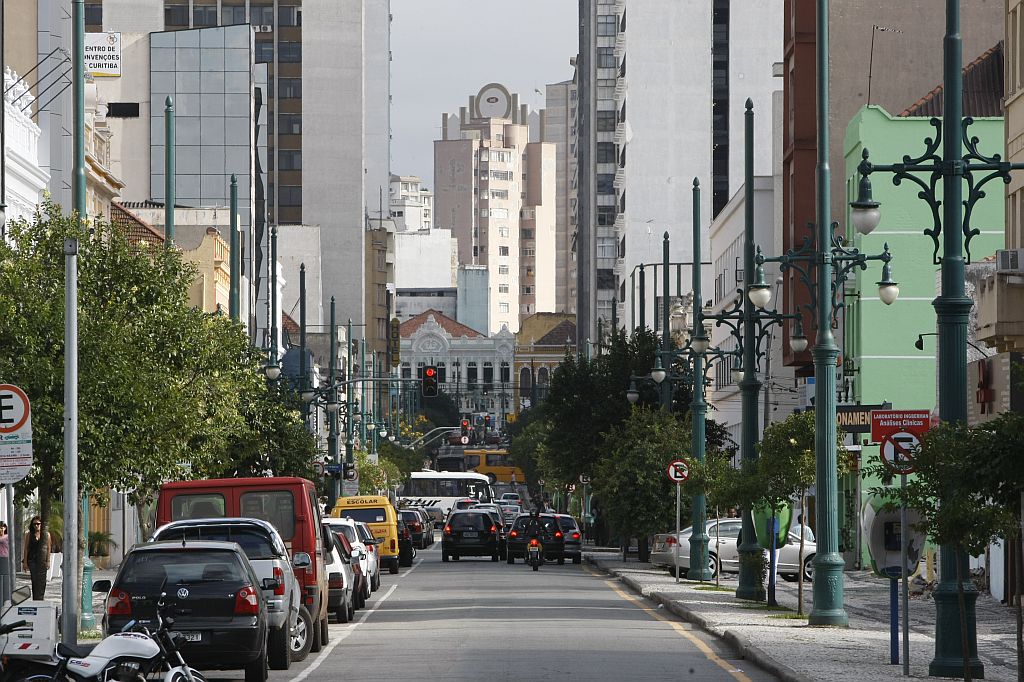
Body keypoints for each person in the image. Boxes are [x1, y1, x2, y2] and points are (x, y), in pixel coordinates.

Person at [23, 516, 50, 600]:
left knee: (42, 581)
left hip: (42, 561)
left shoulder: (46, 535)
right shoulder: (29, 534)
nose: (36, 526)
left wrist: (48, 561)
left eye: (38, 524)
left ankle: (41, 597)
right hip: (32, 560)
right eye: (34, 524)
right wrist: (25, 562)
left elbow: (49, 548)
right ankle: (35, 598)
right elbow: (26, 548)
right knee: (34, 580)